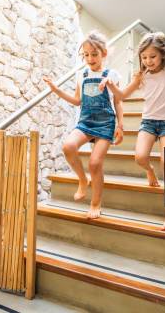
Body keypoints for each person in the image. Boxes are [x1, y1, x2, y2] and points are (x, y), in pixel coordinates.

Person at [102, 32, 165, 231]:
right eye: (144, 57)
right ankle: (150, 172)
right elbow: (122, 95)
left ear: (162, 54)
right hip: (148, 122)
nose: (148, 61)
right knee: (140, 157)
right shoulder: (141, 75)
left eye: (152, 57)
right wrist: (110, 85)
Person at [43, 30, 124, 219]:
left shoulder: (112, 74)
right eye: (86, 55)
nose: (90, 58)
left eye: (94, 54)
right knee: (68, 146)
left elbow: (118, 101)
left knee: (95, 163)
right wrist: (56, 90)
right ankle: (82, 179)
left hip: (105, 123)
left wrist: (120, 125)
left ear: (104, 54)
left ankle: (96, 203)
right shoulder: (82, 74)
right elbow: (77, 101)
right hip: (86, 121)